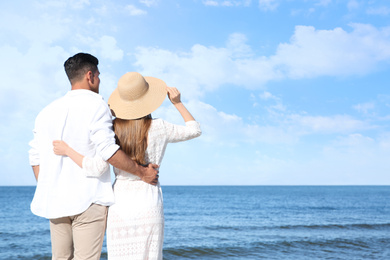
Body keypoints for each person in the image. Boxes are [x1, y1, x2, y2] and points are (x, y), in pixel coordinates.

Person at [52, 72, 202, 260]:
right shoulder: (160, 127)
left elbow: (96, 168)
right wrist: (177, 102)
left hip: (120, 205)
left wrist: (67, 150)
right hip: (149, 201)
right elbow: (194, 130)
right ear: (148, 99)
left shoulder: (113, 129)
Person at [28, 53, 159, 260]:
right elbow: (108, 150)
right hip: (88, 199)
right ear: (90, 76)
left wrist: (51, 185)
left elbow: (35, 158)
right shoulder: (97, 105)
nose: (99, 79)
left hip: (56, 201)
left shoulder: (46, 112)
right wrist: (142, 172)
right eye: (98, 75)